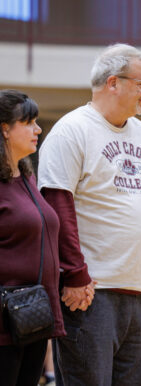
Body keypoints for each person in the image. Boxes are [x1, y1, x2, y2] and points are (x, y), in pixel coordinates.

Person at [37, 44, 141, 385]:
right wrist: (74, 274)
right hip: (89, 292)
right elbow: (57, 209)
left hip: (139, 292)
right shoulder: (72, 130)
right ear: (113, 82)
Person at [0, 90, 65, 386]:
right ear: (4, 128)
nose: (37, 130)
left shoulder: (27, 176)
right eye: (28, 123)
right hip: (5, 318)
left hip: (34, 313)